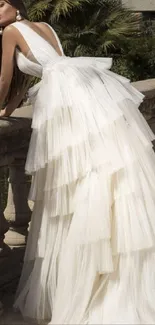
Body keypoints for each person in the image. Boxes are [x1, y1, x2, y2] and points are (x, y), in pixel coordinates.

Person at [1, 0, 155, 324]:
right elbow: (35, 75)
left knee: (82, 177)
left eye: (0, 3)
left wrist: (3, 104)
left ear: (16, 6)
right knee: (100, 168)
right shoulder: (44, 28)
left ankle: (92, 278)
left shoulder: (11, 31)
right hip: (78, 90)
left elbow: (4, 81)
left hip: (65, 98)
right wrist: (9, 110)